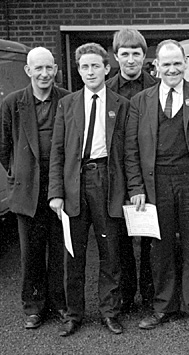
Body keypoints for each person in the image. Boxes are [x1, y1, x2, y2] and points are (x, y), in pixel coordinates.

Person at [125, 39, 189, 332]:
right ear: (156, 67)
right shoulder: (140, 101)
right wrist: (136, 188)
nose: (172, 69)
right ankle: (162, 307)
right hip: (156, 184)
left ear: (186, 64)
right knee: (160, 247)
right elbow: (130, 149)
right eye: (166, 64)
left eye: (177, 63)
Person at [49, 43, 130, 337]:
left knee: (110, 252)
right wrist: (56, 193)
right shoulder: (67, 104)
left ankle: (110, 312)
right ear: (78, 70)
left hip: (106, 181)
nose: (90, 71)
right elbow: (58, 151)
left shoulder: (121, 104)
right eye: (84, 67)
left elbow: (128, 151)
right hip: (74, 184)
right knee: (73, 252)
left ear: (107, 68)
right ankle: (74, 314)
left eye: (96, 66)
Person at [0, 47, 69, 329]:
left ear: (55, 70)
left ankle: (60, 304)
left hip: (58, 187)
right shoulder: (13, 103)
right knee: (31, 251)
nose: (44, 74)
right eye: (38, 69)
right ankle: (34, 306)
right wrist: (18, 172)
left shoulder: (66, 99)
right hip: (27, 188)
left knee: (59, 249)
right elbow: (4, 147)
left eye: (48, 68)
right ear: (28, 71)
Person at [106, 28, 160, 312]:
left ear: (144, 55)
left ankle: (151, 295)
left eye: (136, 53)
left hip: (149, 173)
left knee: (151, 237)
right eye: (124, 54)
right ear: (116, 57)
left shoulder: (157, 85)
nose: (130, 59)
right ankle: (126, 296)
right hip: (117, 175)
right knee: (121, 240)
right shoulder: (106, 89)